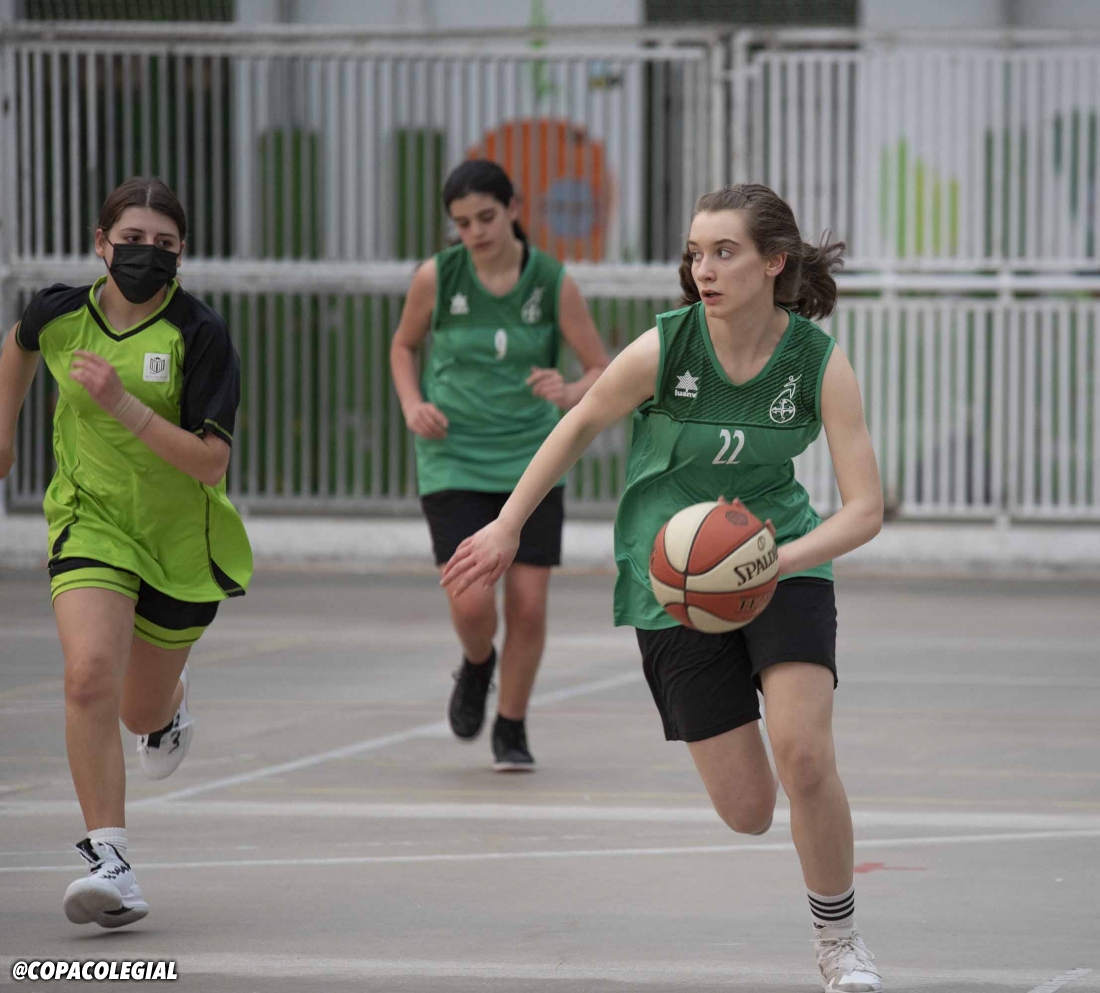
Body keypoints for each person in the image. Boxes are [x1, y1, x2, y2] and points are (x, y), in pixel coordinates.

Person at [442, 184, 886, 992]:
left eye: (724, 252)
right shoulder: (665, 348)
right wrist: (507, 524)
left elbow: (865, 509)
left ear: (773, 262)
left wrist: (776, 560)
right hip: (675, 580)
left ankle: (840, 940)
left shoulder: (817, 362)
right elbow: (577, 423)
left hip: (781, 559)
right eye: (695, 253)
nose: (703, 269)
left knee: (804, 755)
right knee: (749, 809)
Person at [0, 177, 252, 929]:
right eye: (133, 240)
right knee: (88, 678)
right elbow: (17, 348)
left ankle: (168, 710)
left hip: (180, 542)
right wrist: (4, 434)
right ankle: (110, 862)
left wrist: (123, 404)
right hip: (90, 522)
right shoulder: (58, 313)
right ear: (101, 243)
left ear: (182, 253)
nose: (147, 253)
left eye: (163, 244)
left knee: (138, 706)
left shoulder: (200, 333)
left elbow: (210, 463)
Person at [391, 159, 608, 771]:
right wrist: (412, 403)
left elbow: (600, 368)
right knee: (470, 602)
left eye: (486, 217)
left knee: (529, 605)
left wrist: (571, 389)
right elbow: (403, 345)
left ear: (514, 209)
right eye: (462, 223)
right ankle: (477, 662)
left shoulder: (552, 282)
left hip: (531, 457)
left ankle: (511, 726)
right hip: (453, 456)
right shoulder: (437, 276)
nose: (475, 232)